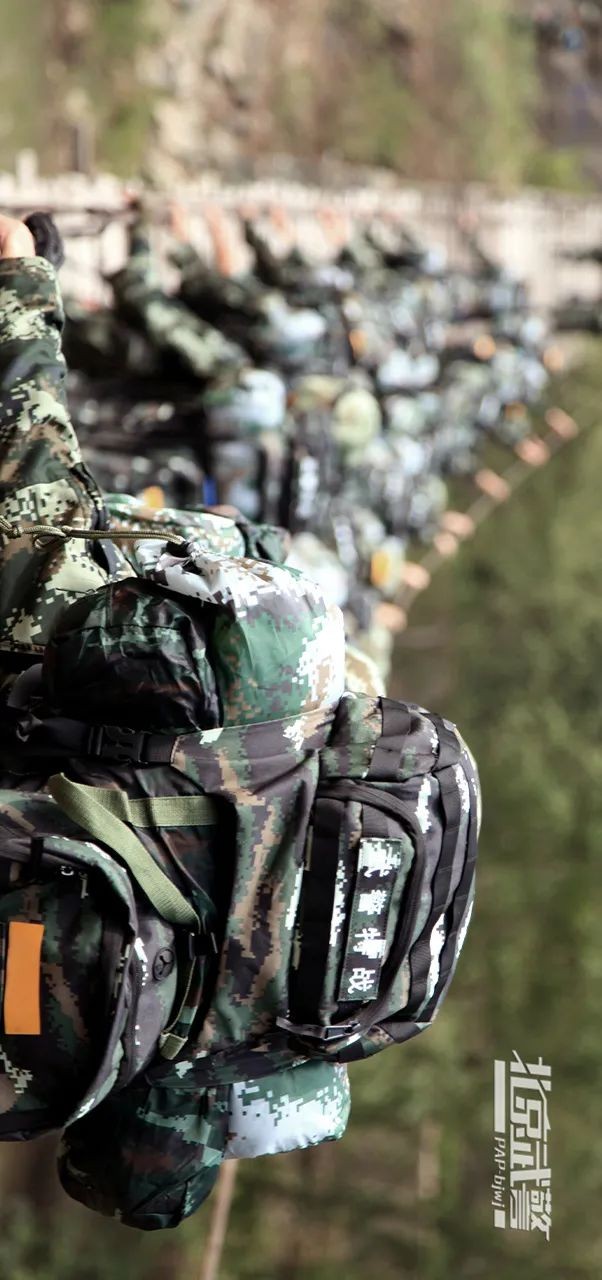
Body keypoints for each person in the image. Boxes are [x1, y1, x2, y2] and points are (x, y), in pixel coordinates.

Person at [0, 212, 354, 1227]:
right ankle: (19, 276)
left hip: (186, 650)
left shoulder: (255, 992)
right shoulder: (69, 1038)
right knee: (30, 525)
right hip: (122, 675)